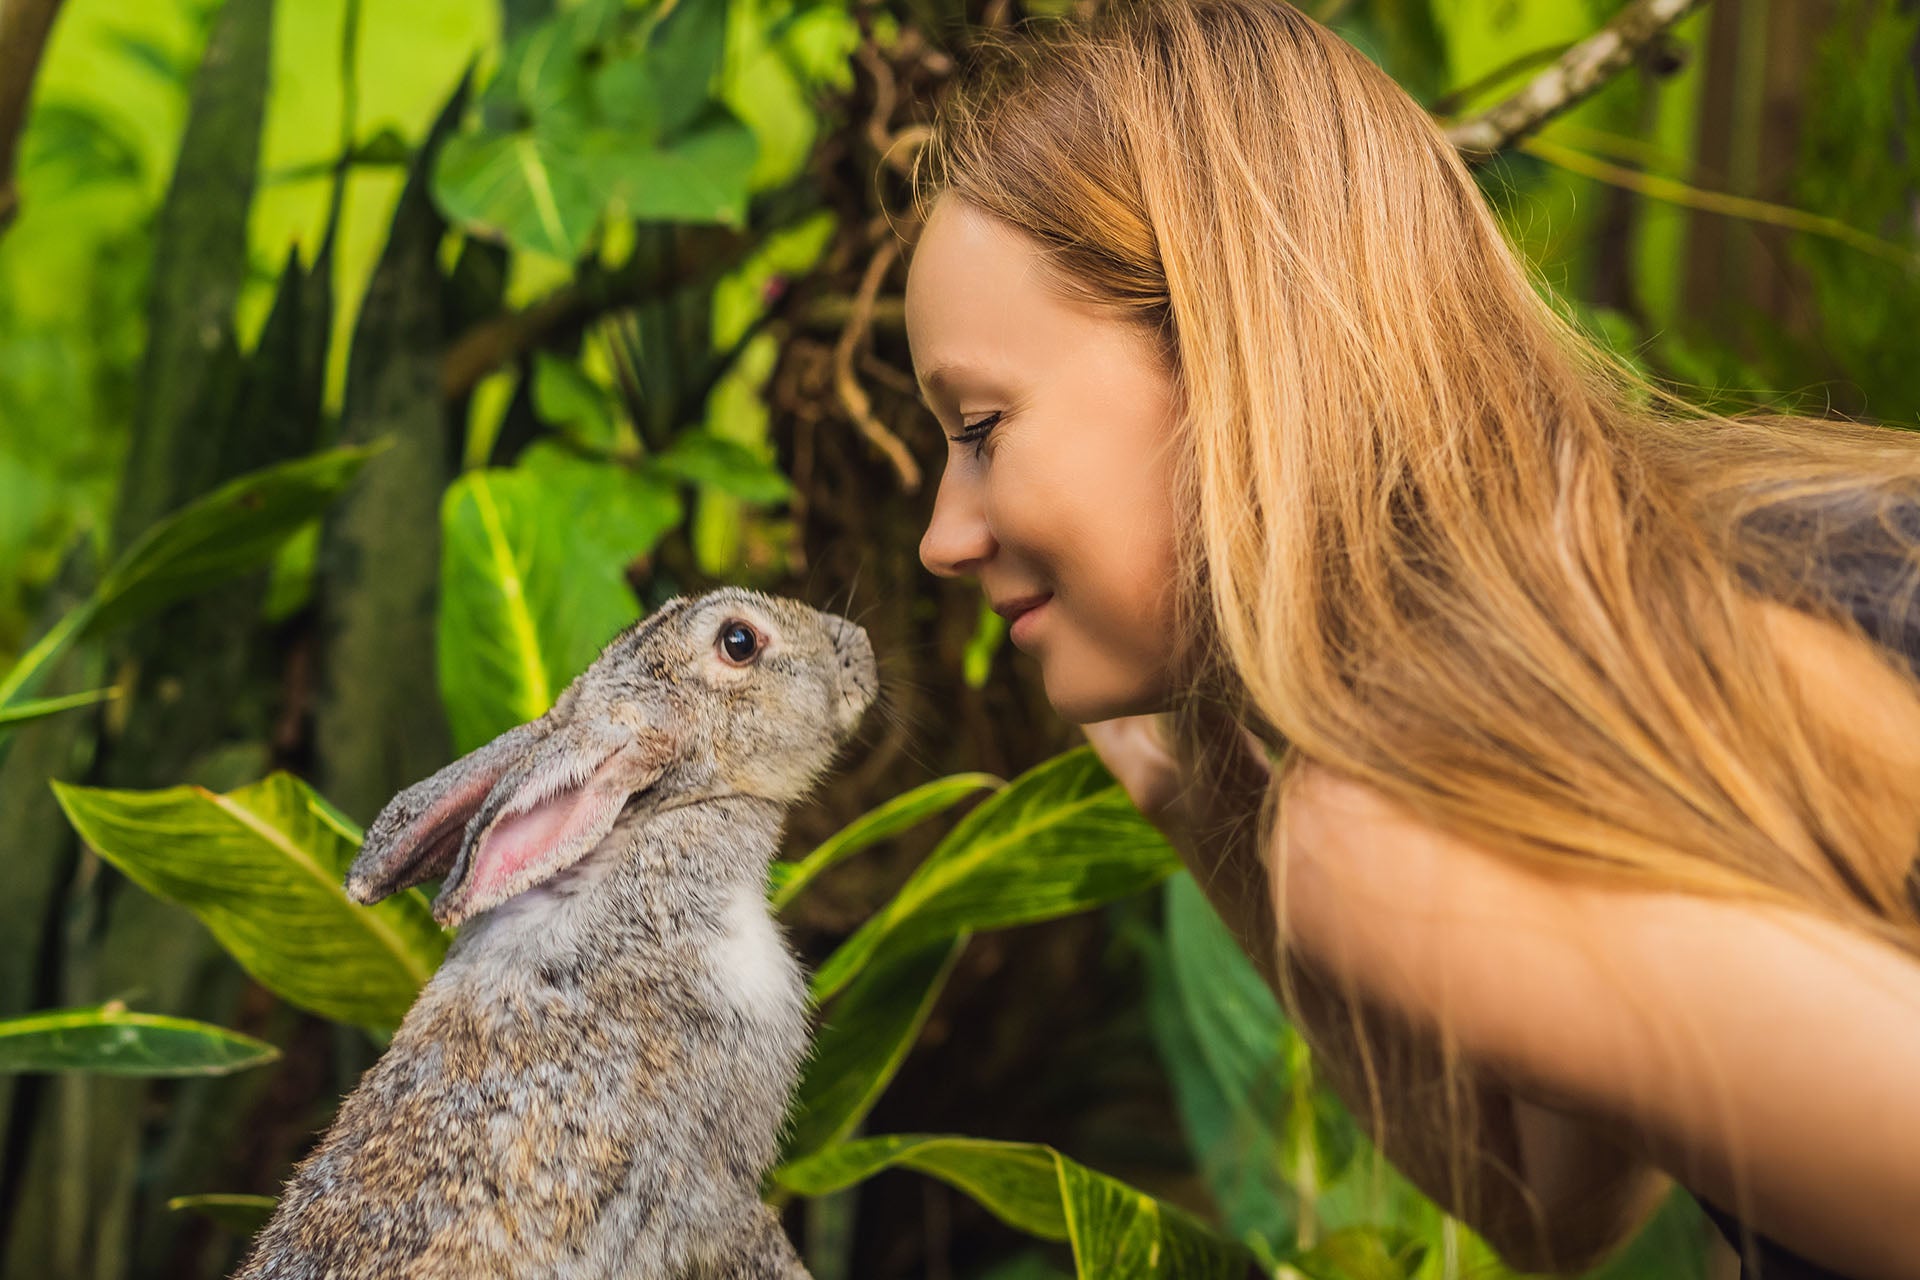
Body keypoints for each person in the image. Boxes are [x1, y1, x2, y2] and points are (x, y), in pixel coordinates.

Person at [899, 1, 1920, 1277]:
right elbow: (1552, 1201)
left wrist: (1335, 854)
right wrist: (1211, 807)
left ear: (1224, 351)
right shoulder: (1685, 564)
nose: (942, 537)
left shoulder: (1385, 825)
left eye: (981, 427)